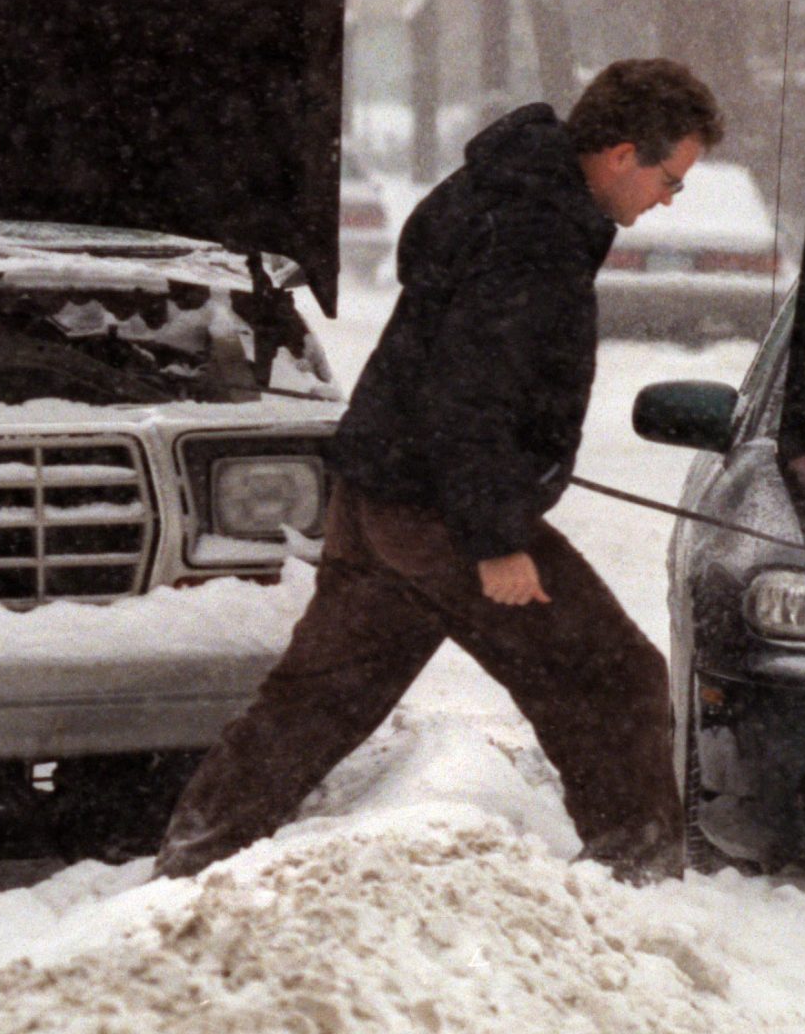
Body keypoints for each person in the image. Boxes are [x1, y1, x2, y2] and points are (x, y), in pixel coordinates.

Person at [155, 59, 726, 883]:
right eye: (669, 178)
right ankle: (637, 884)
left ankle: (189, 863)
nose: (668, 199)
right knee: (614, 680)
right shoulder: (536, 231)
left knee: (317, 701)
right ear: (622, 153)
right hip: (439, 511)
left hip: (384, 491)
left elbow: (447, 370)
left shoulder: (502, 193)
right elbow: (474, 391)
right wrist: (496, 537)